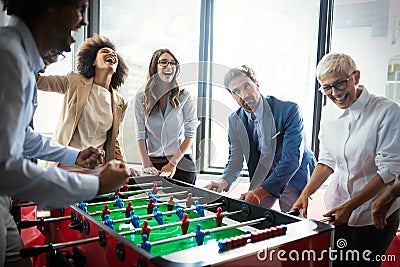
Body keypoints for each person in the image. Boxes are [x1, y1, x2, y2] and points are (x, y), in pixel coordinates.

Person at [0, 1, 130, 266]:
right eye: (81, 8)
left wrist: (77, 156)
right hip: (51, 179)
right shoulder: (8, 57)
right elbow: (5, 168)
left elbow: (23, 138)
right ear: (51, 5)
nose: (83, 21)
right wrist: (97, 185)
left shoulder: (15, 56)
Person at [291, 52, 400, 267]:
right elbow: (326, 160)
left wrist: (351, 206)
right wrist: (306, 193)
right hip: (338, 207)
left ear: (356, 77)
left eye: (339, 84)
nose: (334, 94)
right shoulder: (328, 113)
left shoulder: (387, 112)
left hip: (375, 211)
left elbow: (389, 171)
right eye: (326, 88)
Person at [205, 65, 316, 212]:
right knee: (251, 217)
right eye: (236, 91)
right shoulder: (234, 120)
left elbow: (292, 159)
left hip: (292, 175)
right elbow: (235, 161)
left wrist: (259, 192)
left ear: (257, 85)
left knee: (294, 223)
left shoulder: (289, 109)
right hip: (263, 175)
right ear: (232, 96)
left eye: (246, 86)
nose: (244, 95)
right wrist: (221, 182)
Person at [36, 34, 139, 176]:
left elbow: (113, 142)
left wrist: (124, 167)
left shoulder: (119, 102)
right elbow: (39, 81)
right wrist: (38, 56)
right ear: (93, 62)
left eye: (114, 54)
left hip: (95, 170)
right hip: (65, 166)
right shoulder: (74, 81)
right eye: (105, 52)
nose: (111, 54)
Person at [134, 48, 198, 184]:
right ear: (154, 67)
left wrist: (172, 164)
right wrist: (146, 164)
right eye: (163, 62)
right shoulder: (141, 98)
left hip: (182, 163)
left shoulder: (184, 96)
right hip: (154, 165)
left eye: (173, 63)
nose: (169, 66)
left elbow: (190, 134)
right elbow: (140, 135)